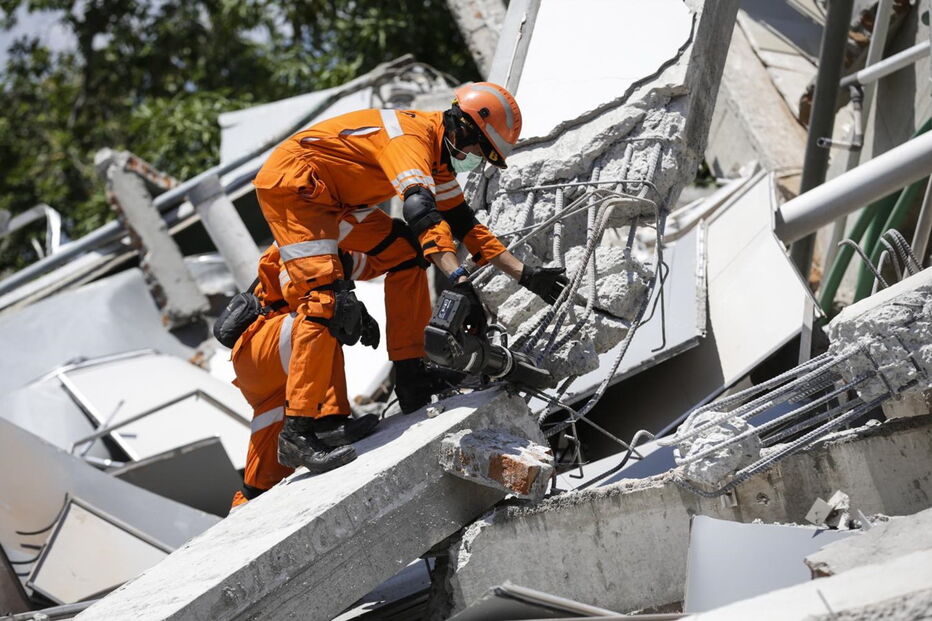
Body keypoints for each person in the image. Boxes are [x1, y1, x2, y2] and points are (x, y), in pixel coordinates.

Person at [253, 81, 569, 472]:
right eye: (476, 149)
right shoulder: (410, 140)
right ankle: (297, 434)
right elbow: (421, 212)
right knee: (326, 302)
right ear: (463, 127)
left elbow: (465, 224)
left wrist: (527, 275)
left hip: (336, 197)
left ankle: (411, 376)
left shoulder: (439, 155)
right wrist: (459, 279)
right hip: (296, 188)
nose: (473, 158)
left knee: (405, 253)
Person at [230, 245, 381, 508]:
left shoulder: (325, 235)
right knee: (325, 311)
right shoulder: (300, 240)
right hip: (263, 347)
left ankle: (239, 512)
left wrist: (356, 310)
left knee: (262, 478)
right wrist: (353, 309)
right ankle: (326, 422)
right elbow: (303, 295)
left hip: (264, 358)